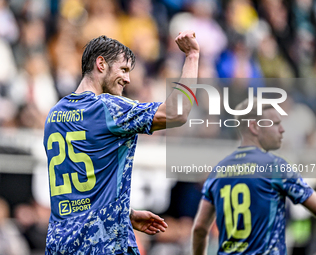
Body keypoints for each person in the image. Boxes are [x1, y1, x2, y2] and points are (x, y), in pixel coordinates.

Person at [43, 30, 199, 255]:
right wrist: (192, 56)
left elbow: (76, 190)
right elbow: (177, 113)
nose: (127, 79)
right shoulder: (107, 108)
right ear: (101, 64)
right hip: (103, 244)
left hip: (60, 244)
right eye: (123, 70)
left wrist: (124, 213)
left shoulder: (55, 114)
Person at [192, 98, 316, 255]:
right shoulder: (276, 167)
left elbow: (199, 229)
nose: (282, 129)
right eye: (275, 124)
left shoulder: (218, 170)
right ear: (255, 127)